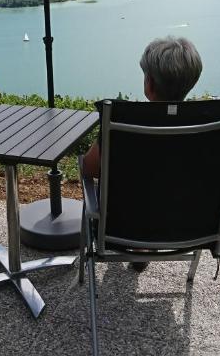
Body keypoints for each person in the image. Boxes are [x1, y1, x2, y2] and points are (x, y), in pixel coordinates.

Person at [81, 35, 203, 271]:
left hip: (121, 227)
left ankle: (139, 245)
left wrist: (83, 165)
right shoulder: (211, 126)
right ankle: (143, 248)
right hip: (191, 227)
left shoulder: (122, 122)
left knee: (138, 188)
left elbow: (90, 168)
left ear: (149, 84)